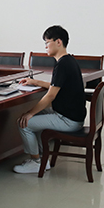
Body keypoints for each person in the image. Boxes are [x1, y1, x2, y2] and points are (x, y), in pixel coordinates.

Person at [13, 25, 86, 174]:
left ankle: (36, 162)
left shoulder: (62, 64)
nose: (45, 46)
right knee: (34, 116)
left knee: (24, 123)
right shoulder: (68, 61)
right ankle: (42, 158)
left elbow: (51, 95)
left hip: (68, 120)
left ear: (58, 42)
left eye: (47, 42)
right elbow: (56, 86)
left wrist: (30, 113)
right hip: (72, 116)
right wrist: (34, 82)